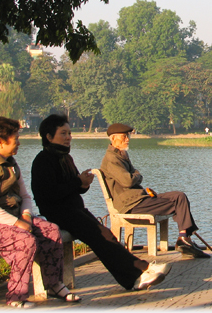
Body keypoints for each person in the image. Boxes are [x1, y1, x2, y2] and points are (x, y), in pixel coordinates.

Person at [31, 114, 170, 292]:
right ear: (49, 137)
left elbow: (73, 188)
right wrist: (77, 182)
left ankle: (135, 277)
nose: (68, 137)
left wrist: (83, 184)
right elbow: (48, 195)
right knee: (100, 236)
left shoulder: (66, 158)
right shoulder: (42, 161)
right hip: (58, 213)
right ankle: (142, 269)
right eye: (63, 133)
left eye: (69, 133)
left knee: (106, 236)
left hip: (75, 210)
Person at [0, 117, 79, 308]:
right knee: (24, 241)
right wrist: (18, 224)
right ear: (0, 142)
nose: (19, 142)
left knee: (51, 230)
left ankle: (54, 284)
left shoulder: (11, 163)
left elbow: (25, 196)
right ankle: (16, 296)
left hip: (13, 217)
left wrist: (26, 216)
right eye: (15, 139)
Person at [100, 123, 210, 259]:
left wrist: (135, 176)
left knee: (180, 196)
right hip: (132, 205)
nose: (127, 139)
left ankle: (184, 237)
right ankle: (185, 240)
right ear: (113, 139)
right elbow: (128, 180)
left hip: (140, 199)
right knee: (178, 204)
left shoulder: (122, 155)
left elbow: (134, 175)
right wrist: (136, 176)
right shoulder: (111, 159)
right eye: (124, 137)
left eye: (128, 136)